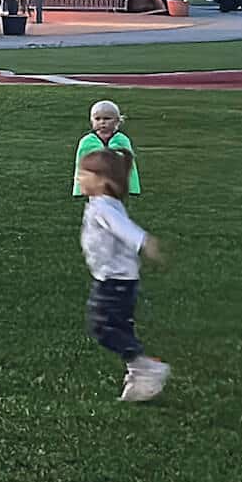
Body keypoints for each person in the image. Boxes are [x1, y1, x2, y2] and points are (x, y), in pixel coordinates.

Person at [77, 147, 169, 401]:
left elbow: (123, 228)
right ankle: (138, 374)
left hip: (114, 282)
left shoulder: (104, 208)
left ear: (103, 181)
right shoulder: (104, 203)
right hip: (117, 280)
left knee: (103, 328)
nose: (79, 178)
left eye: (85, 174)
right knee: (118, 327)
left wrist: (143, 242)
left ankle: (146, 367)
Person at [72, 100, 141, 196]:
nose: (102, 122)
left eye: (107, 118)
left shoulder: (122, 140)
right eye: (97, 119)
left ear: (117, 120)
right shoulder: (87, 141)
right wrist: (79, 188)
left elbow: (129, 164)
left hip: (115, 184)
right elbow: (81, 165)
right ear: (91, 120)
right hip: (95, 184)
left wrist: (131, 187)